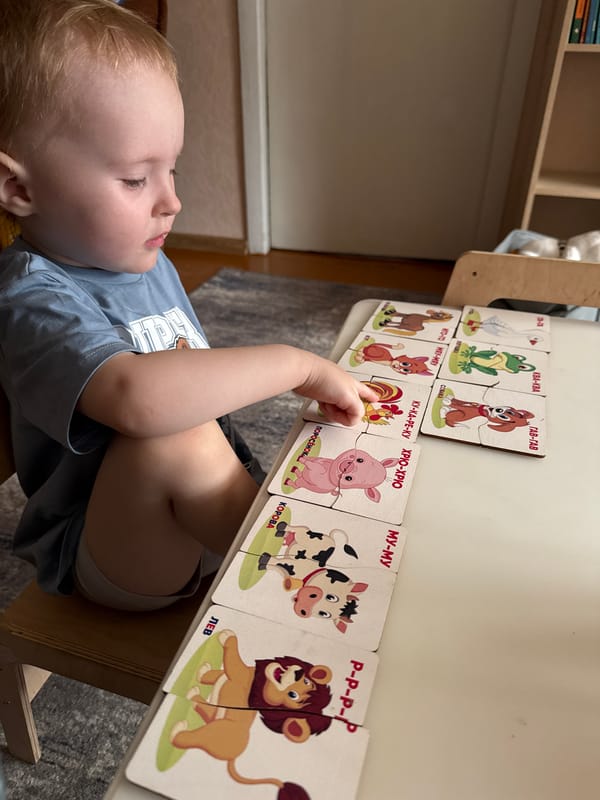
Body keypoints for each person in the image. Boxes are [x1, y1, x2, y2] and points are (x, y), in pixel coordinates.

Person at [0, 0, 376, 611]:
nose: (171, 201)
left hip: (192, 515)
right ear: (19, 188)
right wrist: (296, 366)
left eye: (171, 169)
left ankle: (275, 539)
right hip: (110, 552)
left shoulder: (141, 259)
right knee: (168, 435)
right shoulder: (31, 295)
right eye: (134, 179)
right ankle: (298, 582)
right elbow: (138, 400)